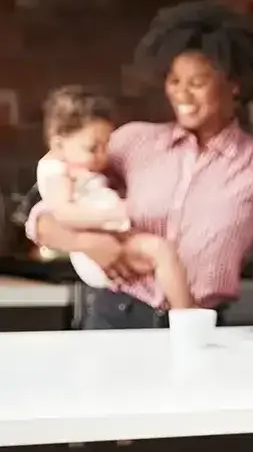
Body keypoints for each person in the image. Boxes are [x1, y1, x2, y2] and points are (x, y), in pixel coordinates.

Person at [24, 0, 253, 330]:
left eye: (196, 83)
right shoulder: (131, 143)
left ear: (234, 84)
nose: (182, 94)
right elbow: (43, 217)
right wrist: (88, 244)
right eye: (173, 81)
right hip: (115, 318)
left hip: (198, 329)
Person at [37, 85, 194, 310]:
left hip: (113, 235)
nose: (103, 155)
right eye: (93, 148)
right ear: (59, 144)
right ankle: (187, 313)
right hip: (98, 251)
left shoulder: (82, 165)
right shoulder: (56, 172)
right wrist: (115, 215)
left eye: (106, 146)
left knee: (163, 251)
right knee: (162, 252)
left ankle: (184, 309)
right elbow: (63, 213)